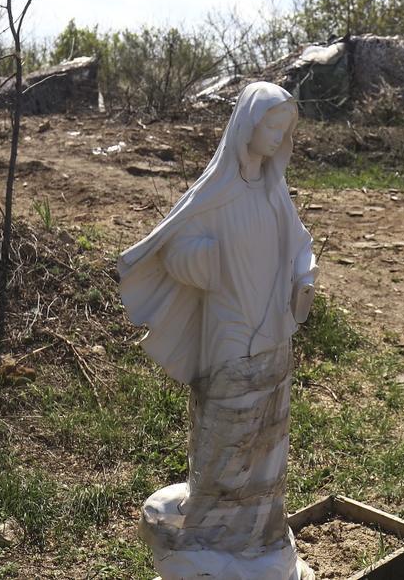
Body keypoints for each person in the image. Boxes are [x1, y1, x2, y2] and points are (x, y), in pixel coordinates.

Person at [118, 82, 317, 579]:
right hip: (229, 335)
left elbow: (300, 244)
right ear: (247, 122)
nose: (278, 136)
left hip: (274, 332)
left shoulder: (274, 193)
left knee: (269, 437)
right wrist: (196, 259)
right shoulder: (215, 192)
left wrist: (304, 272)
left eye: (286, 128)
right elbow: (173, 245)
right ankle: (210, 534)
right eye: (272, 124)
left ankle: (261, 531)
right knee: (227, 434)